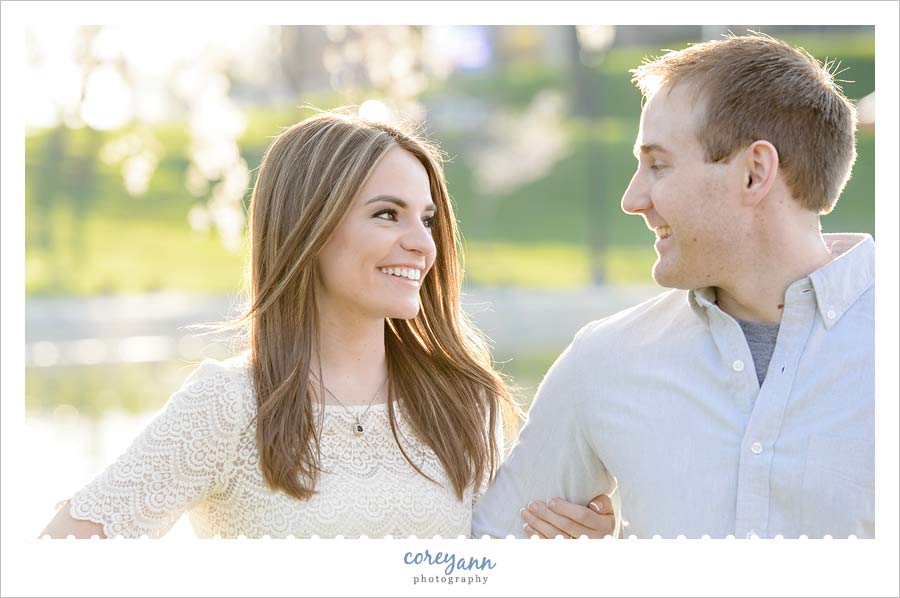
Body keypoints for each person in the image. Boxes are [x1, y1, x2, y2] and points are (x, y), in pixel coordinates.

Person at [40, 112, 611, 539]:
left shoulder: (468, 403)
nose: (421, 242)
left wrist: (579, 545)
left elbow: (490, 571)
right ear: (308, 227)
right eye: (387, 214)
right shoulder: (230, 406)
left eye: (428, 219)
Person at [472, 33, 873, 539]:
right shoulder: (604, 361)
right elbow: (487, 558)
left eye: (658, 165)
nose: (632, 198)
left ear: (754, 174)